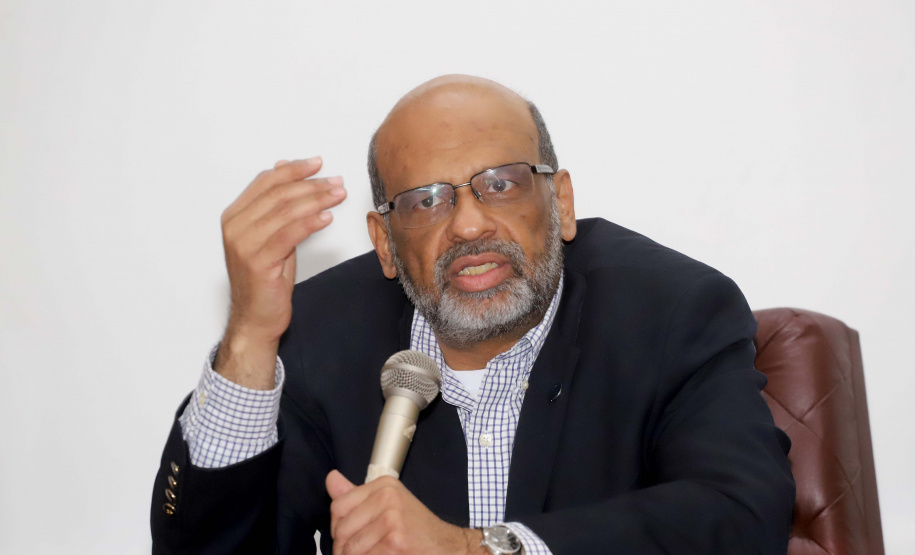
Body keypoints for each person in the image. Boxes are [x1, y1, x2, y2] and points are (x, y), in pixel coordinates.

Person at [151, 75, 795, 554]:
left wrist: (476, 549)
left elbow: (741, 514)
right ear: (384, 242)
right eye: (425, 201)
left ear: (561, 202)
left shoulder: (671, 311)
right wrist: (250, 338)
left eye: (502, 183)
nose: (467, 223)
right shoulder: (316, 333)